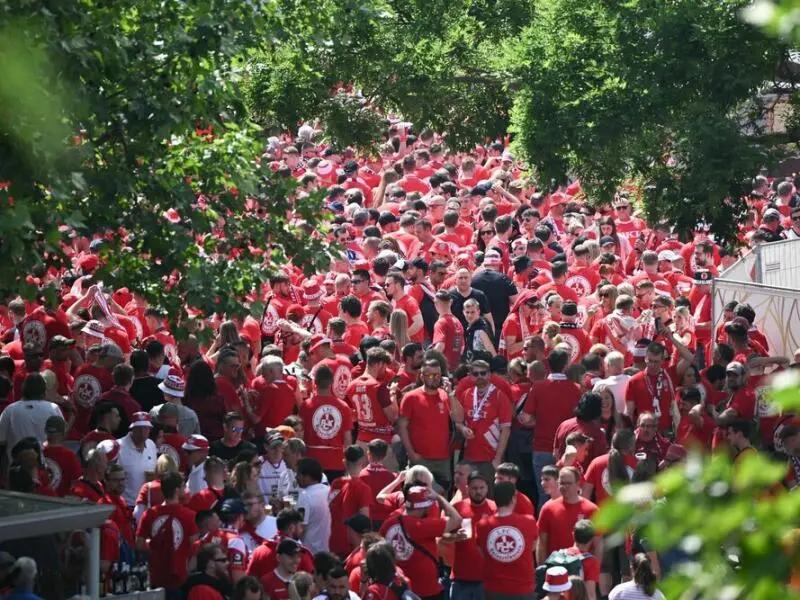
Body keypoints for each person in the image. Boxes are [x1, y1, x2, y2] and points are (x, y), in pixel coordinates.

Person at [521, 348, 582, 510]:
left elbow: (525, 418)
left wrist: (539, 422)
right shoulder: (576, 388)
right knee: (568, 494)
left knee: (544, 494)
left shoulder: (538, 387)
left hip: (542, 447)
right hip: (566, 450)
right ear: (566, 365)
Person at [379, 485, 462, 600]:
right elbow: (457, 519)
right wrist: (439, 497)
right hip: (426, 591)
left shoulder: (389, 522)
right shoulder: (421, 526)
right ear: (422, 508)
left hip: (399, 588)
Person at [398, 359, 465, 492]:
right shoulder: (411, 397)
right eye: (430, 375)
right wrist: (411, 452)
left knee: (441, 497)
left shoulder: (445, 395)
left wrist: (451, 394)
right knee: (417, 495)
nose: (434, 379)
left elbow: (459, 418)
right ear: (422, 376)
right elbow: (402, 426)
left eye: (437, 375)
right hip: (419, 458)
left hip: (443, 459)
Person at [136, 471, 199, 598]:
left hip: (156, 577)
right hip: (180, 577)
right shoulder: (189, 515)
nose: (185, 489)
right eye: (183, 486)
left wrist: (155, 545)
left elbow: (139, 544)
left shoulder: (149, 514)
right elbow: (195, 546)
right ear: (177, 490)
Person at [476, 480, 538, 600]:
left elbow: (482, 551)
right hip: (523, 589)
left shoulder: (482, 525)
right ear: (513, 498)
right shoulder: (529, 521)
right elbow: (532, 547)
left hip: (493, 589)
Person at [457, 360, 512, 487]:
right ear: (470, 376)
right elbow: (458, 422)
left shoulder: (499, 396)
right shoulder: (466, 394)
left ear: (489, 375)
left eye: (483, 373)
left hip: (490, 458)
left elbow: (506, 429)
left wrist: (498, 458)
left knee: (489, 496)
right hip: (469, 456)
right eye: (476, 374)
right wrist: (462, 429)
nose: (480, 377)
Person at [537, 468, 601, 564]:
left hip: (582, 570)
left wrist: (594, 570)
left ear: (578, 484)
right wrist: (542, 569)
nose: (564, 487)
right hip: (555, 570)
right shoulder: (548, 508)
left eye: (568, 483)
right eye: (562, 483)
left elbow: (598, 545)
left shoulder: (592, 510)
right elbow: (542, 544)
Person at [450, 471, 497, 599]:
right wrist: (454, 537)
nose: (478, 491)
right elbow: (442, 536)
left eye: (482, 488)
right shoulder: (457, 508)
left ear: (487, 488)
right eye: (474, 488)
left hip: (487, 577)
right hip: (461, 577)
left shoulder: (495, 508)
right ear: (467, 488)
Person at [0, 374, 63, 463]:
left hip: (17, 470)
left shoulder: (10, 410)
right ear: (44, 391)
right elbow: (61, 438)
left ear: (23, 389)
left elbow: (1, 442)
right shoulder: (53, 408)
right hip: (47, 470)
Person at [328, 446, 372, 559]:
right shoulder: (363, 488)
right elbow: (364, 521)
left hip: (333, 540)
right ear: (363, 461)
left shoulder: (335, 483)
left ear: (344, 462)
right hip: (351, 544)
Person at [296, 457, 332, 553]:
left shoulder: (304, 496)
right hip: (329, 550)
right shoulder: (330, 491)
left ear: (306, 476)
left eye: (298, 474)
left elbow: (300, 529)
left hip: (310, 552)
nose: (296, 477)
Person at [42, 415, 81, 497]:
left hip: (40, 503)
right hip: (61, 505)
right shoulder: (69, 456)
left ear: (45, 431)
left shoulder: (38, 452)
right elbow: (76, 484)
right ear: (63, 433)